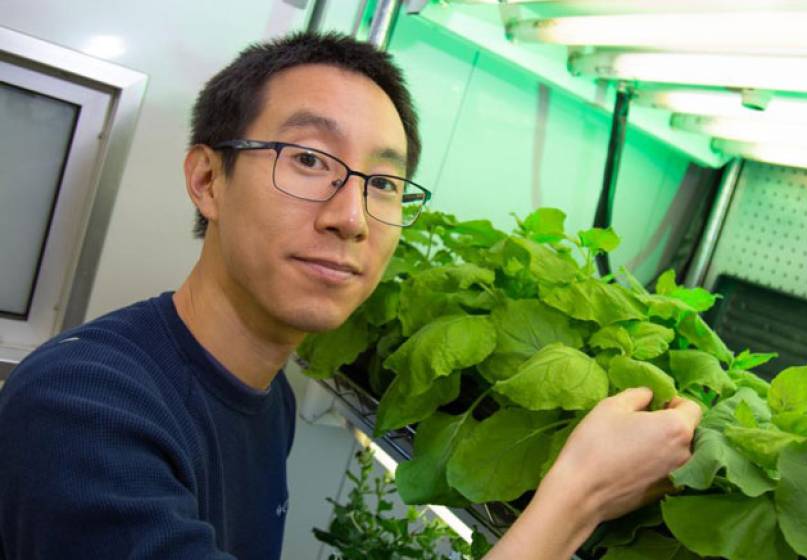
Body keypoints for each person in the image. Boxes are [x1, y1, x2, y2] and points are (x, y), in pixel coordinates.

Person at [0, 32, 700, 559]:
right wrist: (579, 493)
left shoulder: (265, 397)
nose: (352, 216)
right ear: (209, 181)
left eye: (384, 183)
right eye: (308, 160)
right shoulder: (83, 407)